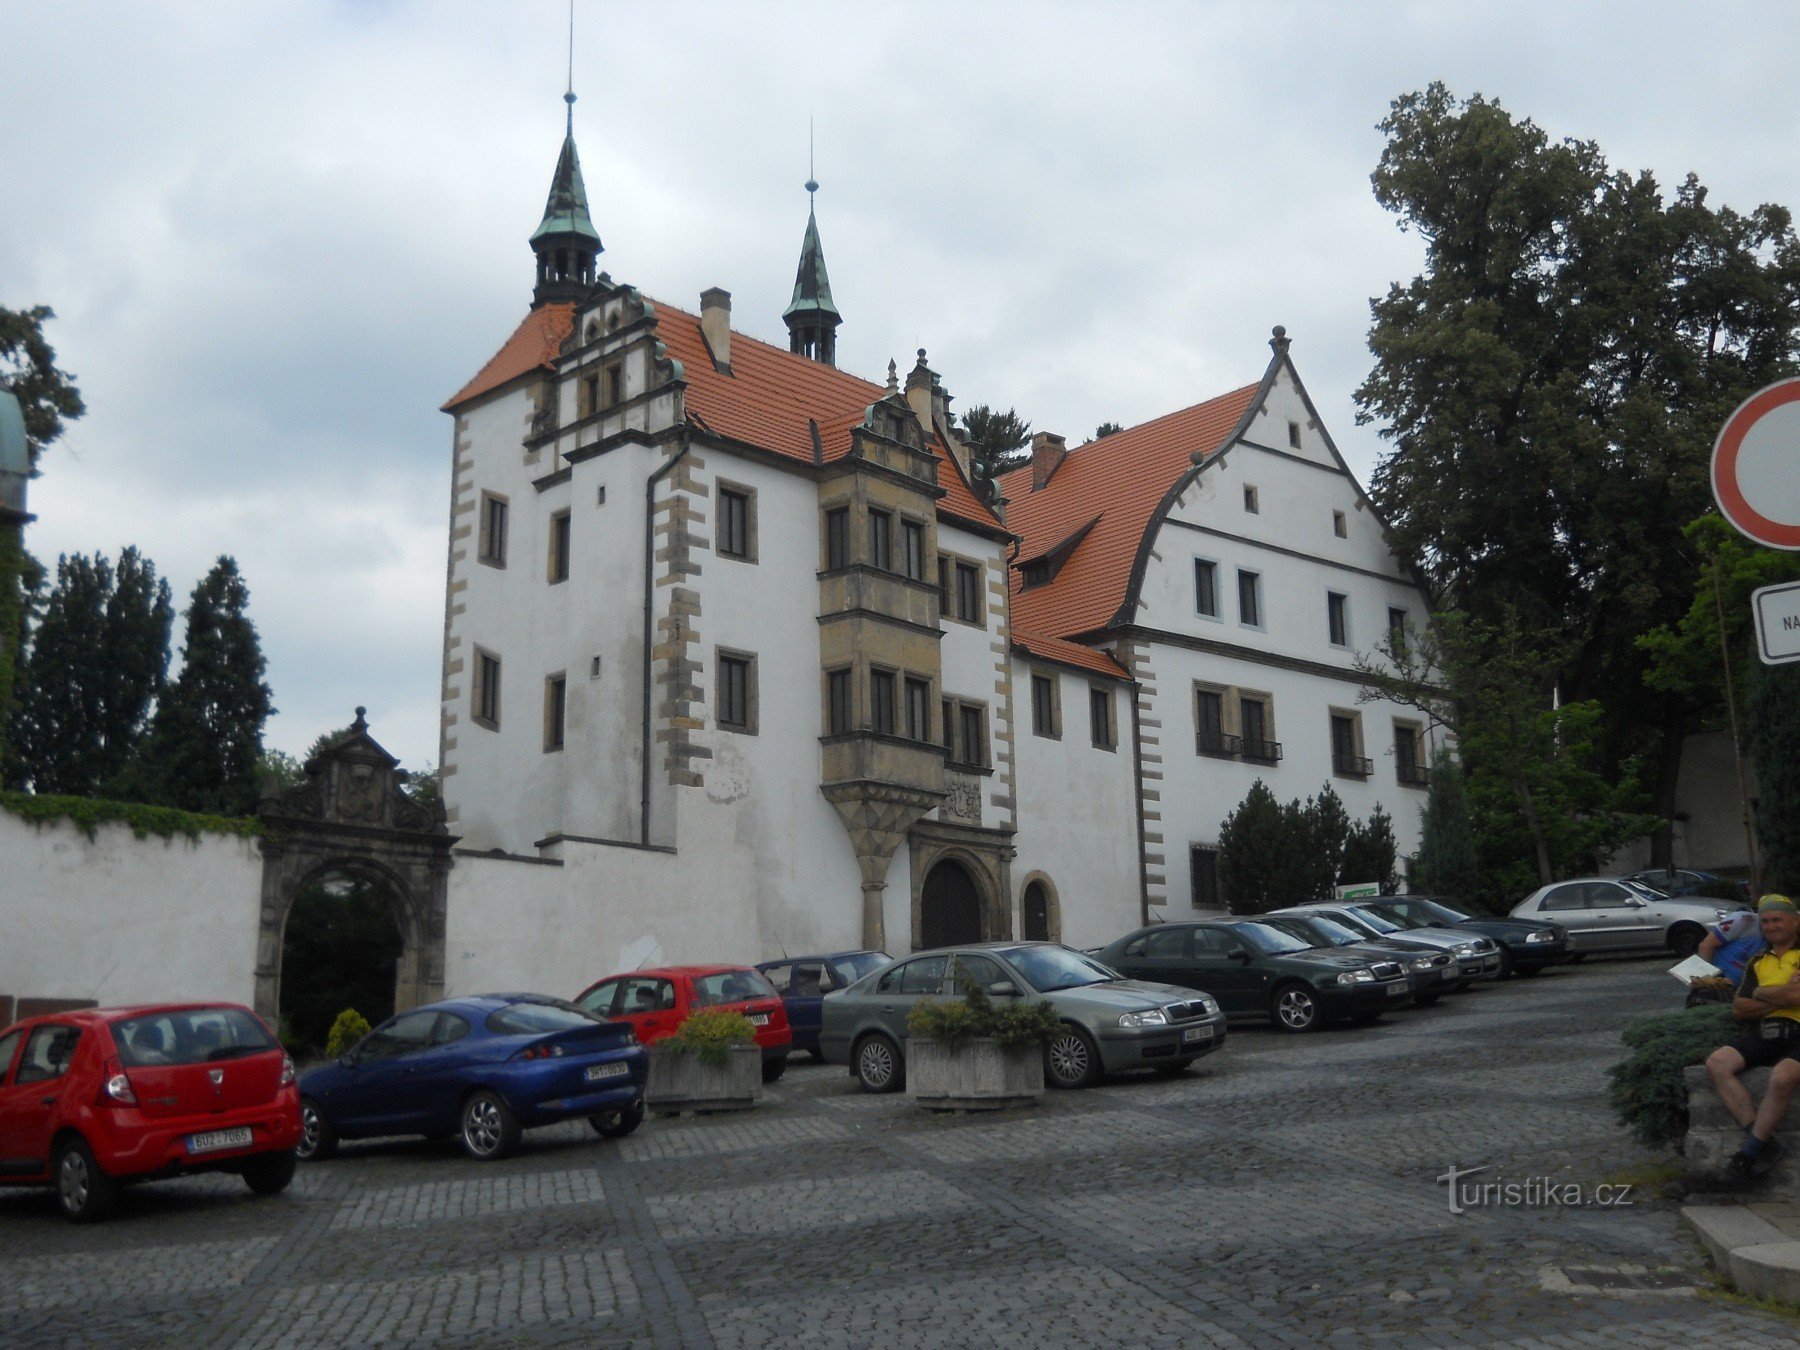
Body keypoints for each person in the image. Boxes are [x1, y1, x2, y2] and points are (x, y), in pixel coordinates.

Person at [1704, 895, 1800, 1180]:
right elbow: (1739, 1008)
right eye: (1766, 921)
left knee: (1782, 1077)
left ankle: (1748, 1153)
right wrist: (1783, 997)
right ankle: (1762, 1142)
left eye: (1777, 920)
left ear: (1796, 921)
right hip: (1768, 1030)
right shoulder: (1759, 960)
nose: (1771, 926)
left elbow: (1797, 996)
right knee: (1717, 1063)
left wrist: (1762, 993)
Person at [1697, 906, 1763, 983]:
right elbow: (1705, 946)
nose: (1770, 925)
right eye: (1765, 920)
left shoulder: (1776, 936)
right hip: (1717, 979)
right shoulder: (1742, 920)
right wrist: (1705, 979)